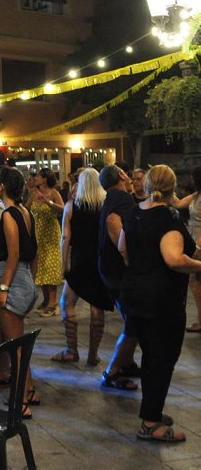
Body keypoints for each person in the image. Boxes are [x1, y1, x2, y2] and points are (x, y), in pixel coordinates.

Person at [118, 165, 201, 443]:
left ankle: (151, 412)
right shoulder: (167, 218)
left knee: (151, 355)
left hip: (134, 294)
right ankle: (151, 423)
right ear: (173, 187)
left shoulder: (133, 213)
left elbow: (122, 249)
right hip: (161, 300)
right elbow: (174, 259)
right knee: (162, 359)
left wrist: (141, 268)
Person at [0, 166, 40, 418]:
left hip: (14, 279)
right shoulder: (25, 212)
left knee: (14, 345)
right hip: (25, 278)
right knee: (19, 342)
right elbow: (34, 251)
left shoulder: (8, 214)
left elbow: (14, 253)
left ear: (3, 187)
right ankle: (29, 391)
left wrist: (5, 287)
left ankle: (20, 403)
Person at [51, 168, 112, 365]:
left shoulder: (72, 206)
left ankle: (71, 350)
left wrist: (63, 264)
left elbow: (65, 237)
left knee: (67, 303)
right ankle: (93, 355)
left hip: (79, 262)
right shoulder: (106, 206)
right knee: (98, 306)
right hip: (100, 262)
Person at [99, 164, 141, 391]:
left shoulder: (114, 196)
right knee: (134, 322)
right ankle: (112, 372)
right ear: (121, 177)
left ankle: (127, 363)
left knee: (131, 319)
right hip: (118, 271)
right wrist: (126, 255)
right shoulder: (122, 198)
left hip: (108, 269)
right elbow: (112, 223)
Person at [26, 167, 64, 317]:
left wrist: (48, 202)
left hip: (51, 235)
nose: (36, 178)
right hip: (38, 234)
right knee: (40, 267)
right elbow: (26, 208)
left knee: (50, 266)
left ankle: (53, 303)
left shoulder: (54, 193)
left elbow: (63, 209)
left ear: (45, 179)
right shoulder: (34, 194)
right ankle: (46, 300)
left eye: (39, 176)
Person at [171, 165, 201, 334]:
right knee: (196, 283)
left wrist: (198, 246)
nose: (190, 180)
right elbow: (179, 203)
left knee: (195, 282)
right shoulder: (196, 195)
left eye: (193, 177)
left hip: (199, 243)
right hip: (194, 241)